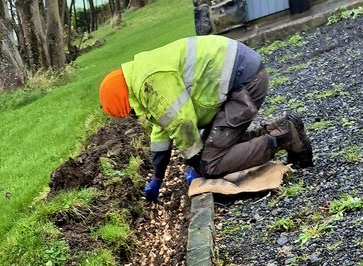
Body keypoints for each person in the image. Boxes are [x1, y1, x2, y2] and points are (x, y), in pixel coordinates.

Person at [99, 34, 313, 201]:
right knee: (214, 147)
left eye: (129, 113)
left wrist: (196, 162)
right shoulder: (141, 75)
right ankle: (281, 128)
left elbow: (182, 123)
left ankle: (284, 137)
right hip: (240, 76)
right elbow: (161, 130)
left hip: (244, 82)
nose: (134, 115)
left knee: (211, 164)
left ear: (125, 102)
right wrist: (157, 176)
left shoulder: (149, 82)